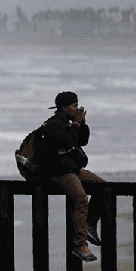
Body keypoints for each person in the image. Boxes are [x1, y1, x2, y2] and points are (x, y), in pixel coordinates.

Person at [35, 91, 105, 261]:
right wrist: (75, 123)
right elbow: (67, 142)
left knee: (103, 187)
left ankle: (89, 224)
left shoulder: (68, 123)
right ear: (64, 108)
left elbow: (82, 140)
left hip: (72, 169)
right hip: (58, 172)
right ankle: (80, 245)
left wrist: (82, 123)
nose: (77, 108)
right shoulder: (52, 125)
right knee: (81, 199)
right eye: (74, 105)